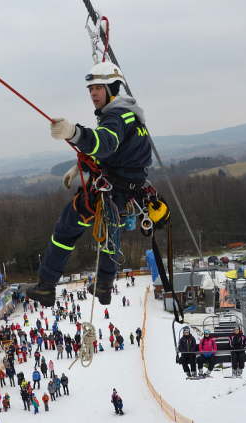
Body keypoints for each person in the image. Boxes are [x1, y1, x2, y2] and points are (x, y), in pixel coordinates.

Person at [26, 61, 151, 308]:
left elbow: (104, 143)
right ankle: (104, 286)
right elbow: (115, 153)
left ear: (113, 88)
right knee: (111, 238)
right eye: (90, 88)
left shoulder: (116, 116)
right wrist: (81, 168)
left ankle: (46, 286)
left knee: (66, 227)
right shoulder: (131, 116)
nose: (92, 93)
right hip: (127, 196)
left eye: (98, 87)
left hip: (109, 194)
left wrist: (73, 133)